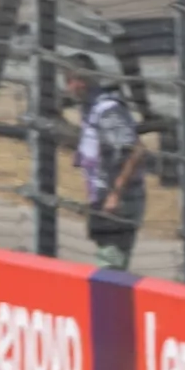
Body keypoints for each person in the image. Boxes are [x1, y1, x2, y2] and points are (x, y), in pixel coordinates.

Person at [72, 65, 148, 271]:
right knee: (107, 261)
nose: (68, 88)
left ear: (80, 82)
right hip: (103, 200)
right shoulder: (90, 108)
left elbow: (137, 150)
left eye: (69, 81)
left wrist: (115, 194)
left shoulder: (107, 111)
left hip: (119, 203)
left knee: (110, 267)